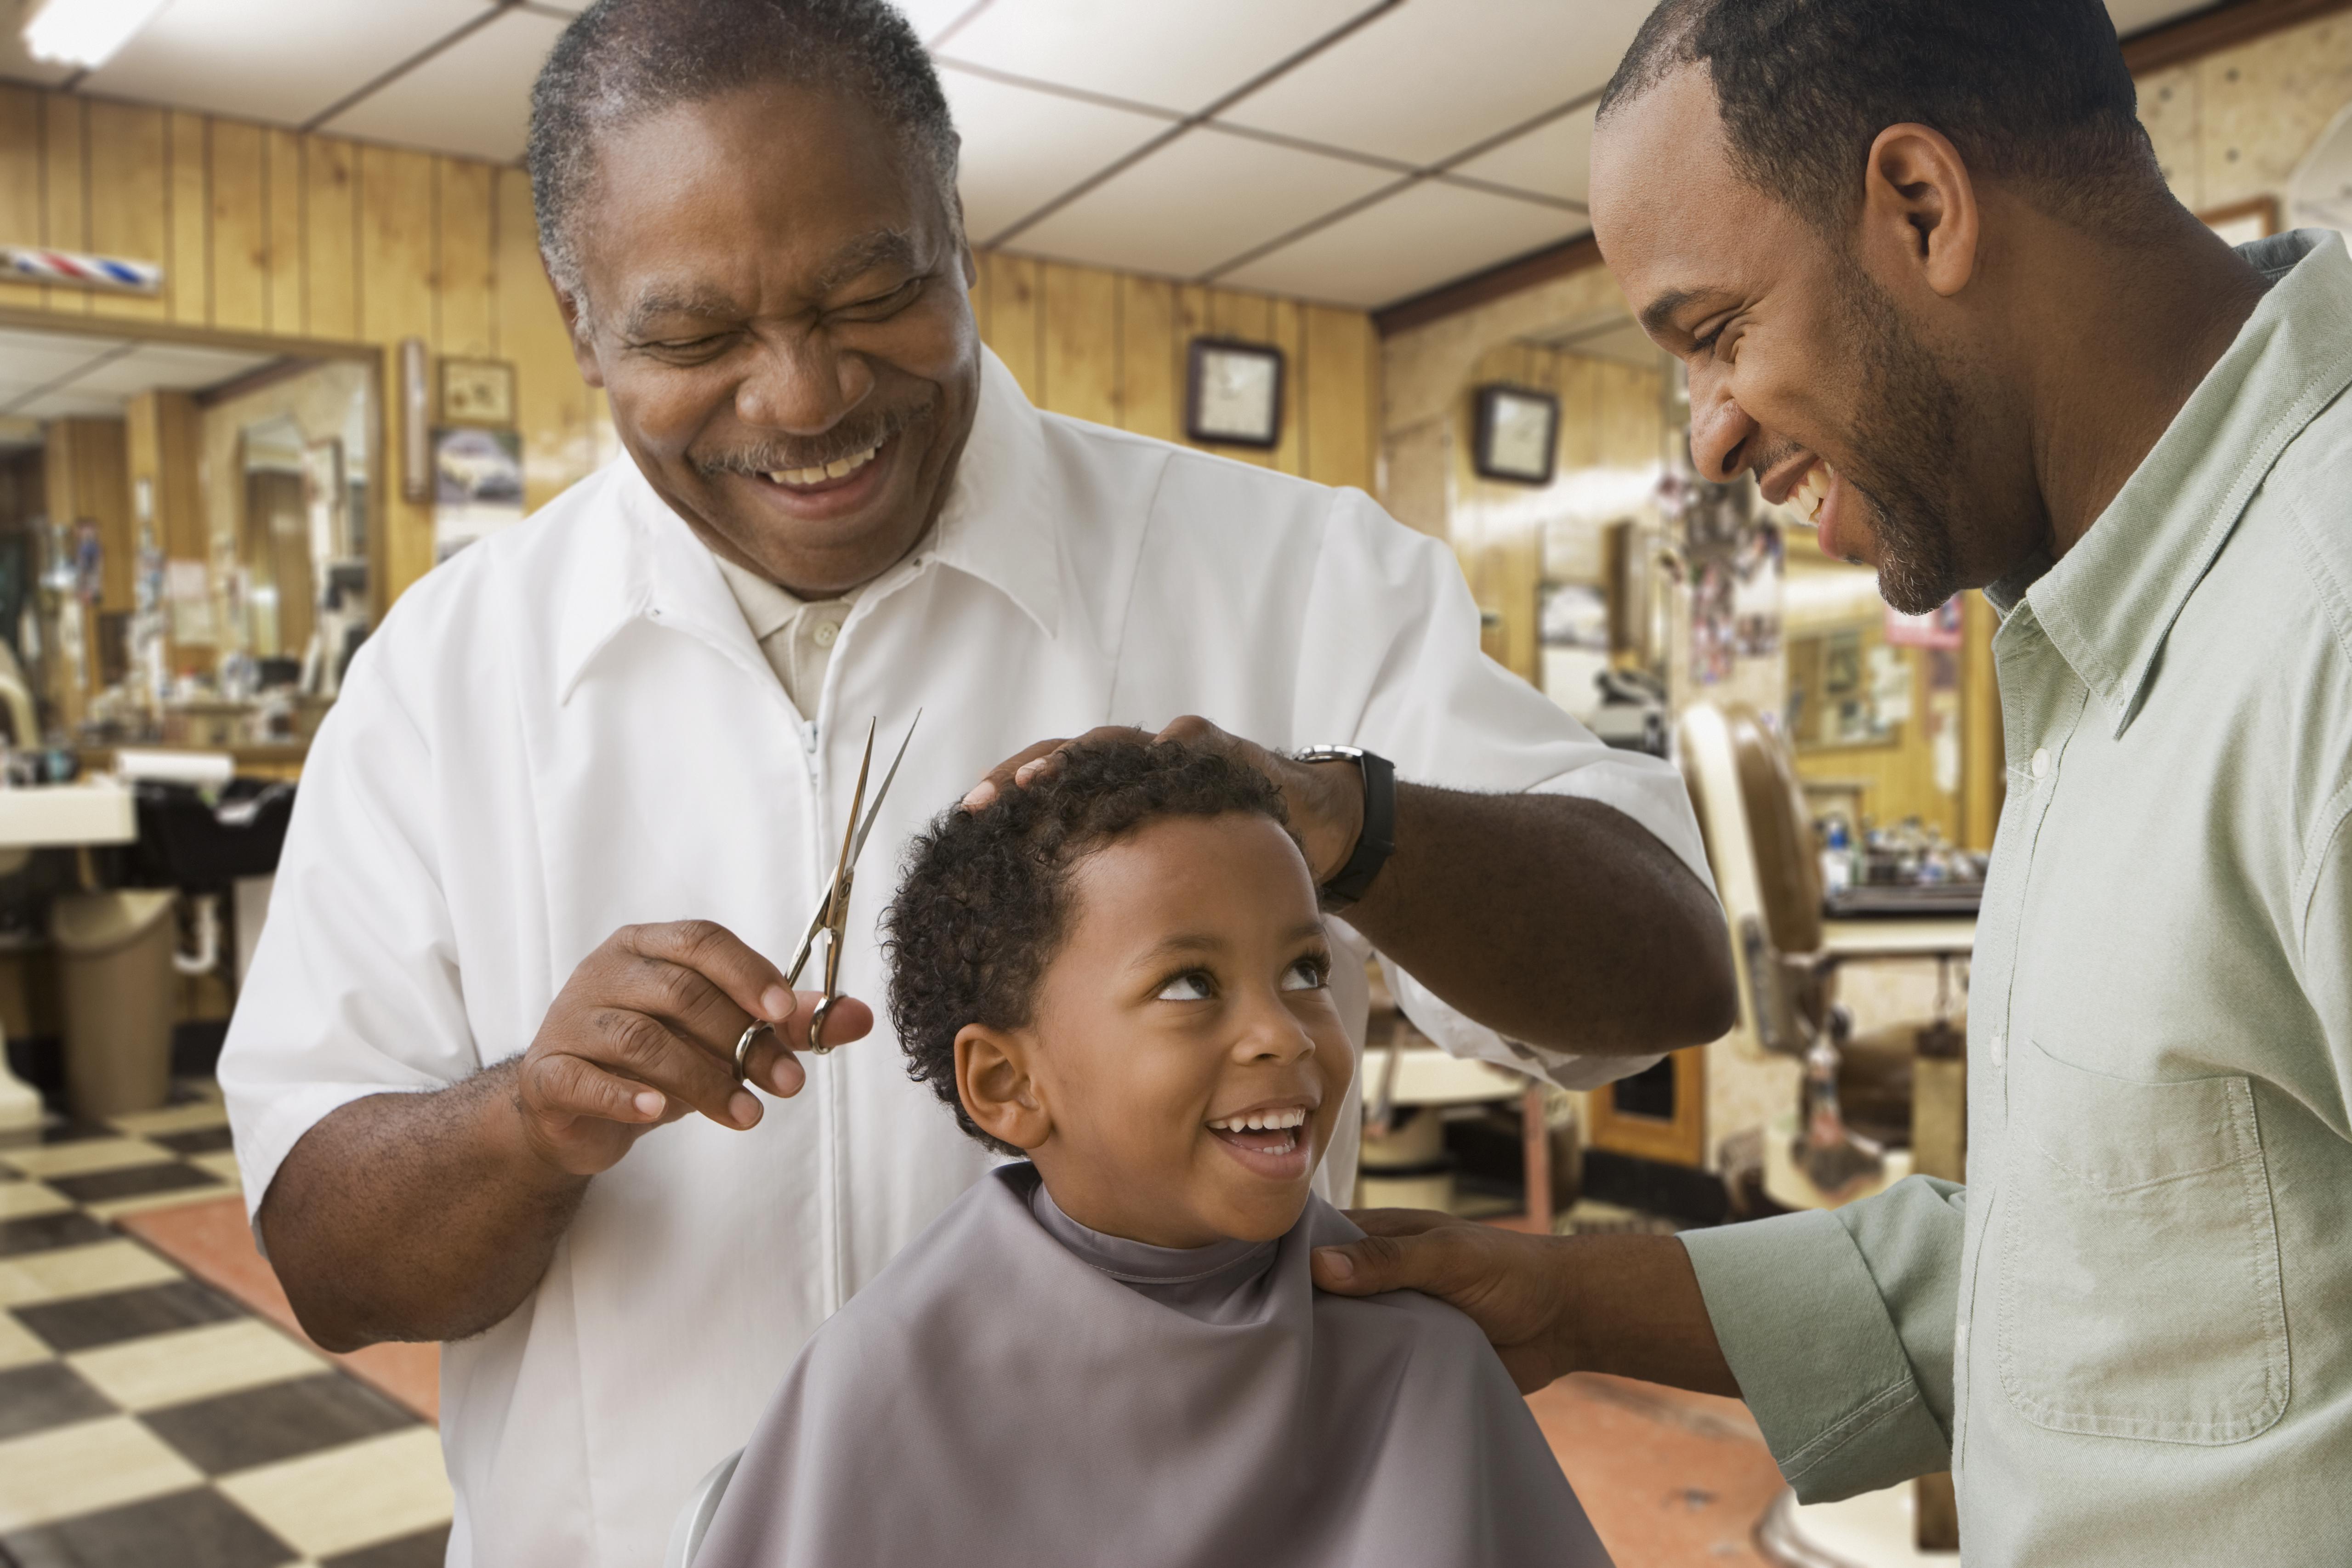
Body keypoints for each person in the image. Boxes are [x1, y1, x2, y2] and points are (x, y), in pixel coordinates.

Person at [216, 1, 1734, 1562]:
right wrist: (527, 1123)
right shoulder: (451, 672)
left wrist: (1337, 817)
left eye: (874, 294)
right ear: (579, 315)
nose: (803, 400)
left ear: (959, 235)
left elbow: (1666, 971)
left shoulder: (1285, 573)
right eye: (693, 338)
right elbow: (333, 1263)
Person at [1312, 1, 2352, 1563]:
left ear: (1920, 206)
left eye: (1713, 330)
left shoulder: (2317, 620)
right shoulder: (2101, 632)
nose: (1710, 437)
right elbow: (2109, 1291)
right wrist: (1567, 1292)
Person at [693, 739, 1611, 1568]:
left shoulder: (1422, 1357)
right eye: (1189, 982)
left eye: (1306, 970)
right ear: (1008, 1083)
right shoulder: (883, 1382)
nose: (1281, 1035)